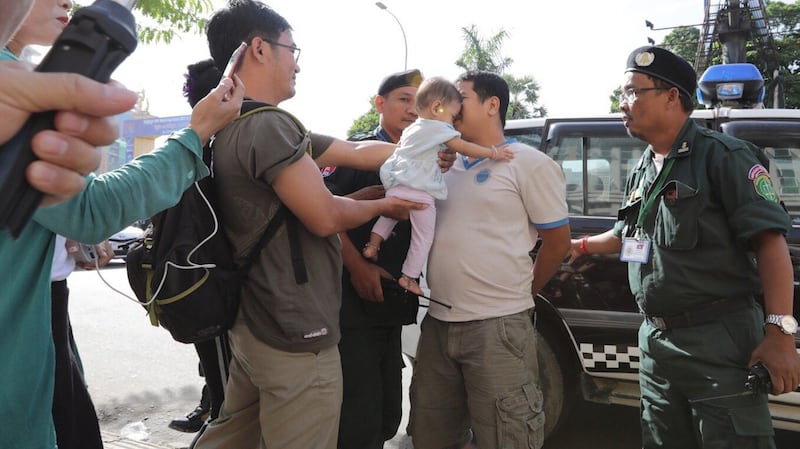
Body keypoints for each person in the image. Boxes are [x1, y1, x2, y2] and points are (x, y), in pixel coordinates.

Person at [186, 2, 436, 449]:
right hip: (293, 327)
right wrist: (389, 206)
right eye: (291, 48)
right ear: (260, 49)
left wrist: (424, 152)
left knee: (235, 434)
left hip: (255, 317)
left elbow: (359, 153)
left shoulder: (236, 122)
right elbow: (325, 217)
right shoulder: (269, 128)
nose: (296, 62)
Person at [0, 46, 245, 449]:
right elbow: (90, 208)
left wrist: (64, 235)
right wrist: (195, 134)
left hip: (44, 321)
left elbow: (65, 211)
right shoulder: (16, 87)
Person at [569, 46, 800, 448]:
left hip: (717, 341)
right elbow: (628, 234)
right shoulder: (643, 166)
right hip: (656, 341)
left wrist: (780, 334)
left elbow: (770, 243)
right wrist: (581, 245)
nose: (622, 104)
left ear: (671, 96)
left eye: (632, 92)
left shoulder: (724, 157)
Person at [407, 71, 571, 449]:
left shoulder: (528, 163)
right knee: (431, 435)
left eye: (459, 97)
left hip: (497, 328)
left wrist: (522, 293)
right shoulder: (443, 164)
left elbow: (557, 241)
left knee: (506, 436)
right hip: (438, 324)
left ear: (492, 105)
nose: (448, 104)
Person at [322, 68, 423, 449]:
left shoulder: (422, 160)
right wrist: (357, 265)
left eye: (419, 102)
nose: (412, 110)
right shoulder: (356, 153)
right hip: (354, 303)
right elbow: (324, 216)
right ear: (380, 104)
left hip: (393, 304)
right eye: (403, 99)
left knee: (387, 415)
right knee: (358, 418)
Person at [362, 76, 514, 295]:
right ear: (437, 108)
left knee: (389, 215)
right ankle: (409, 276)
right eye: (452, 115)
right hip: (420, 194)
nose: (453, 120)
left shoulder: (412, 129)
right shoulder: (440, 128)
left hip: (396, 186)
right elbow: (464, 147)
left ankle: (372, 245)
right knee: (423, 237)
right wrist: (493, 152)